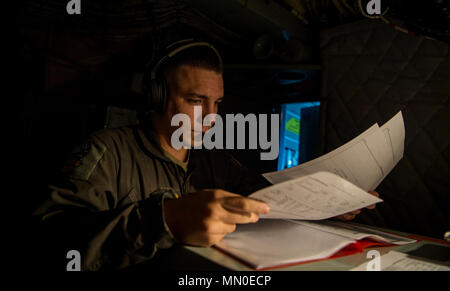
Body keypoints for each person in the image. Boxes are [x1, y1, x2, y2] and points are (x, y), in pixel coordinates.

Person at [32, 39, 378, 271]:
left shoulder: (214, 159)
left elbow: (265, 196)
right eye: (196, 101)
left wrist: (328, 199)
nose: (211, 117)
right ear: (155, 97)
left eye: (217, 104)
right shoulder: (107, 151)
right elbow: (51, 241)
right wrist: (163, 220)